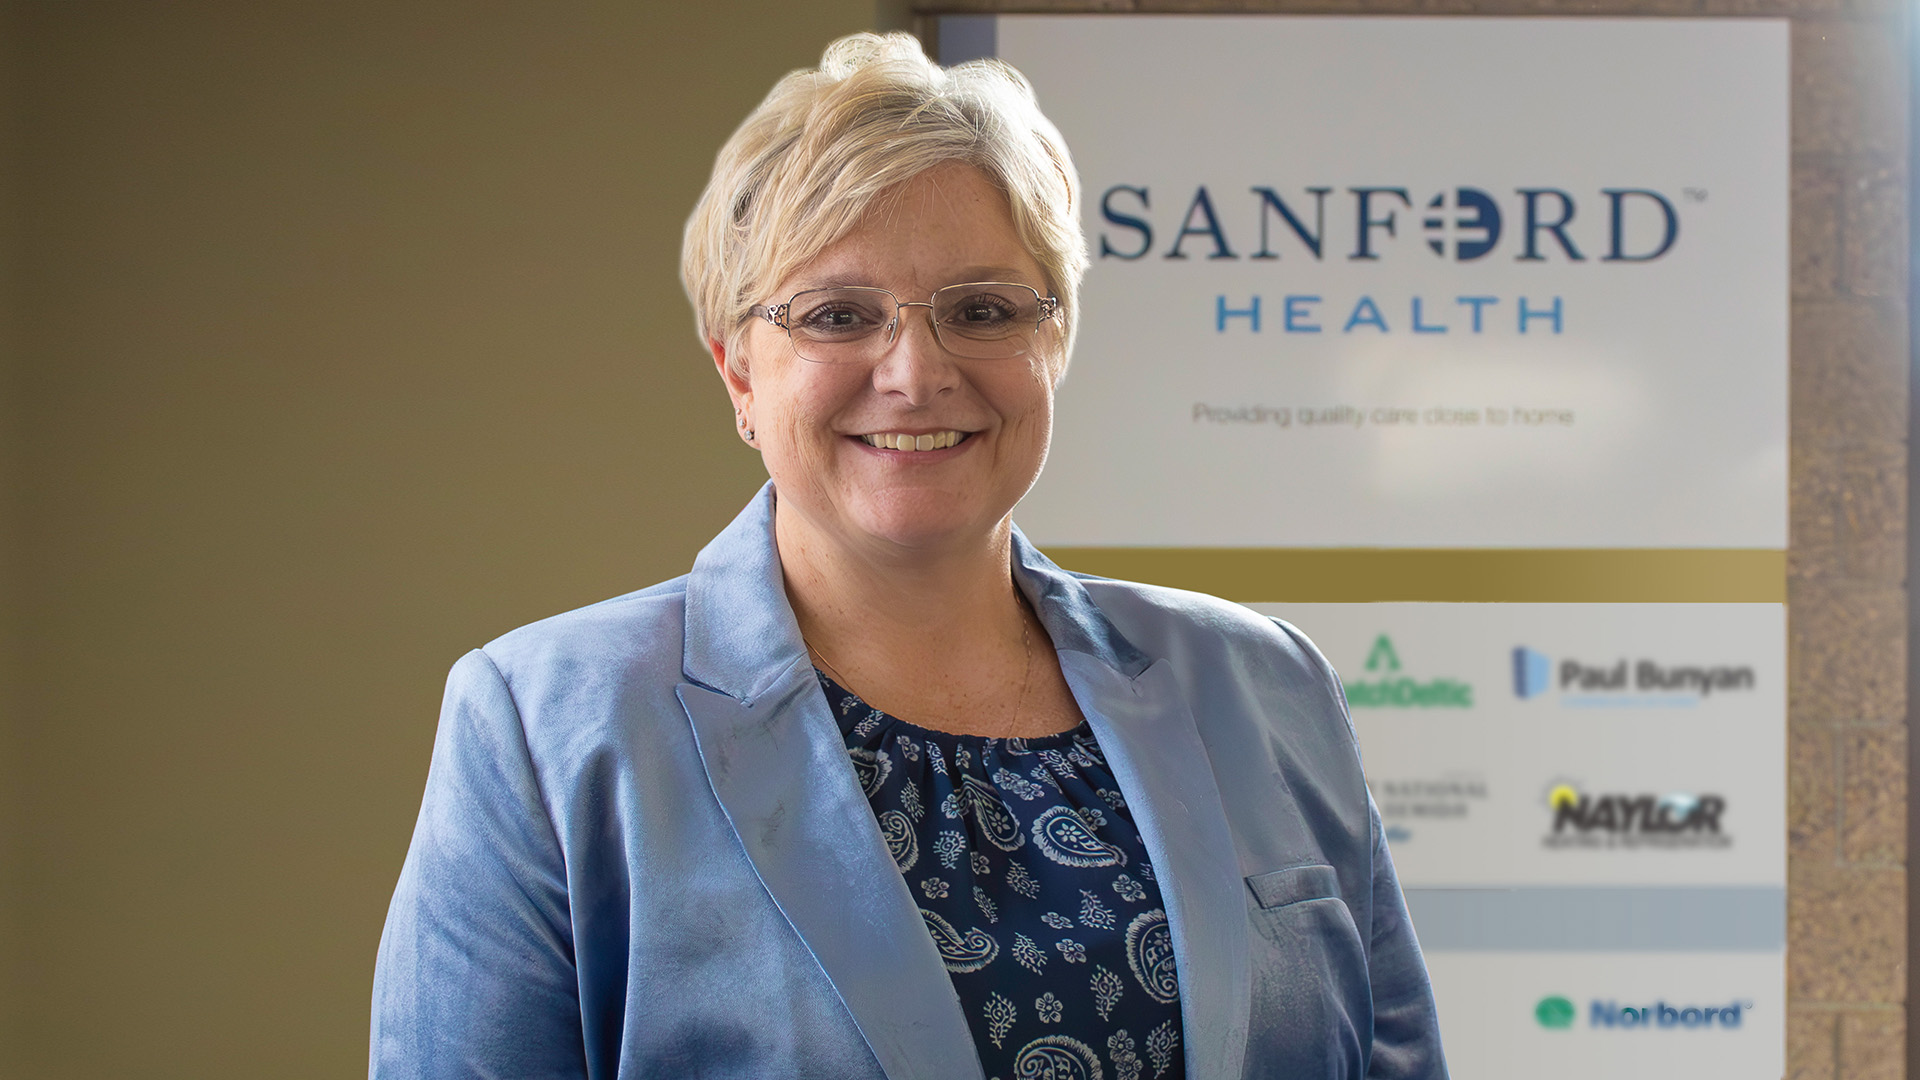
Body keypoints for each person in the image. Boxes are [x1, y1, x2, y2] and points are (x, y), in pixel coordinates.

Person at [371, 31, 1446, 1080]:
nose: (917, 372)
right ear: (739, 373)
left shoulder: (1266, 684)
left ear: (1054, 342)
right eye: (839, 315)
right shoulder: (548, 725)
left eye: (983, 310)